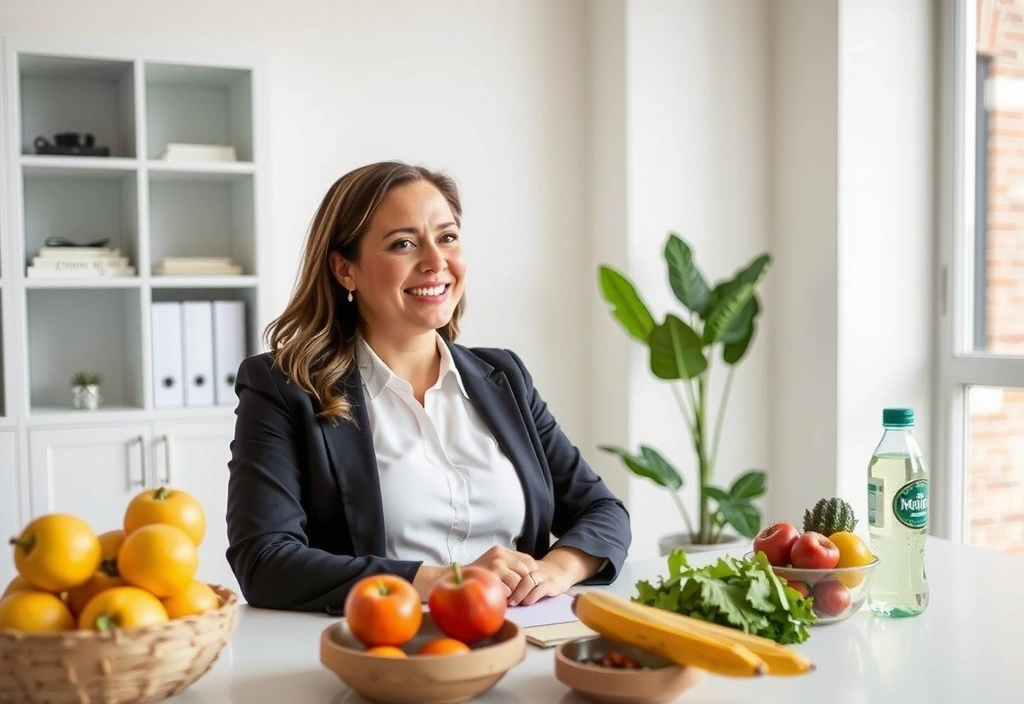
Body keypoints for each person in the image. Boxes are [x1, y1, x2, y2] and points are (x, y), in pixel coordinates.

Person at [225, 160, 631, 614]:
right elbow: (264, 562)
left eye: (448, 237)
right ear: (345, 270)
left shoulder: (504, 378)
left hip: (522, 640)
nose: (436, 262)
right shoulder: (284, 389)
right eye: (403, 244)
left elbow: (603, 511)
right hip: (385, 649)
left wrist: (556, 569)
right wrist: (442, 581)